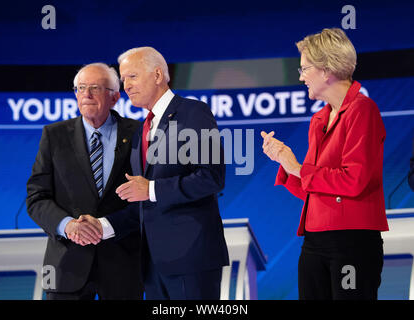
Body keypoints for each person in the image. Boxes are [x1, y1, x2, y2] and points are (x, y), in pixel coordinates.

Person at [83, 47, 229, 300]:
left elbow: (211, 177)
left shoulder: (193, 113)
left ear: (158, 75)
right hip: (152, 266)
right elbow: (143, 203)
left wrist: (150, 189)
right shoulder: (142, 130)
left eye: (132, 77)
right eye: (122, 79)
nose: (125, 86)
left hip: (190, 262)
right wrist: (102, 226)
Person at [261, 28, 389, 300]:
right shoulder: (318, 119)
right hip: (314, 242)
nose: (301, 76)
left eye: (305, 68)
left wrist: (297, 168)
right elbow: (313, 189)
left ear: (327, 69)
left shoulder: (362, 110)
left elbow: (353, 181)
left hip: (351, 243)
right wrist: (284, 161)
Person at [26, 63, 143, 300]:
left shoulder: (139, 134)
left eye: (95, 88)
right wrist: (68, 226)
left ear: (114, 97)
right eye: (80, 88)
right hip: (66, 266)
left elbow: (148, 198)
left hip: (124, 265)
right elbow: (37, 197)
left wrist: (107, 226)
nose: (86, 94)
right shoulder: (54, 135)